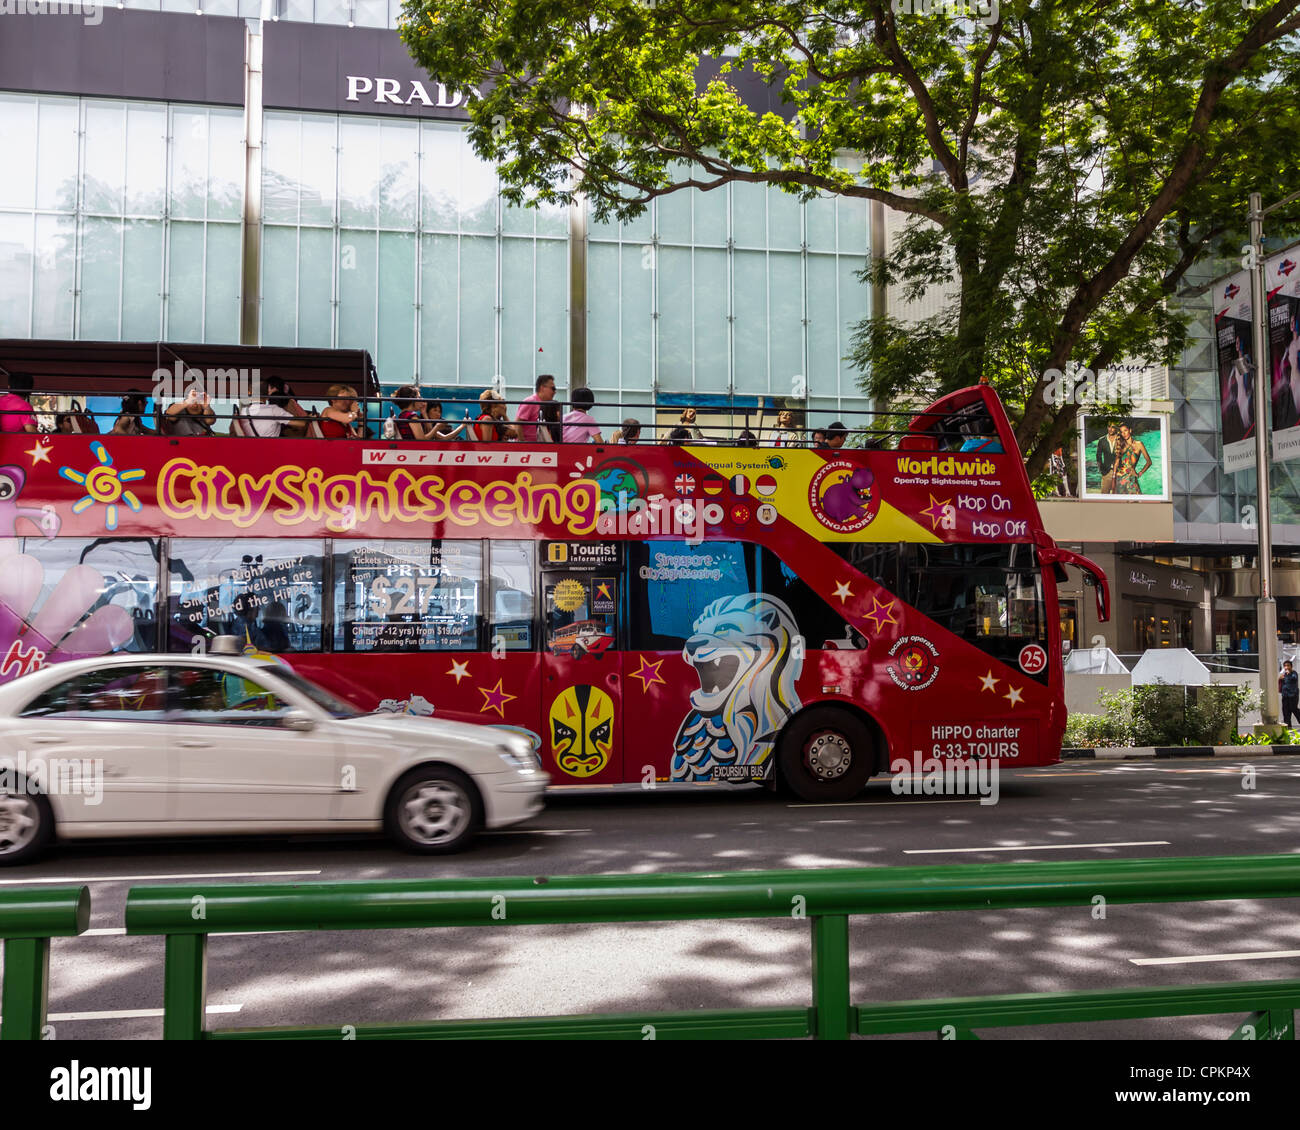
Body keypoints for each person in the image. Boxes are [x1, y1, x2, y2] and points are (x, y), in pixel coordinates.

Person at [1113, 420, 1152, 495]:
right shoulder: (1120, 445)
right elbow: (1116, 464)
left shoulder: (1139, 444)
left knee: (1136, 501)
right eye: (1121, 432)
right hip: (1120, 479)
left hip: (1132, 479)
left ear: (1130, 430)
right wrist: (1113, 480)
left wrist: (1139, 474)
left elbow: (1149, 462)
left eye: (1125, 431)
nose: (1123, 434)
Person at [516, 374, 557, 441]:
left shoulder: (547, 405)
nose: (555, 392)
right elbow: (518, 423)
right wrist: (523, 444)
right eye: (553, 388)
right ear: (542, 388)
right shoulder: (530, 402)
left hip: (539, 446)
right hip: (530, 447)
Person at [1097, 423, 1120, 492]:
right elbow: (1098, 456)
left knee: (1118, 495)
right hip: (1106, 471)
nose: (1110, 429)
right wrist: (1101, 469)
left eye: (1113, 427)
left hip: (1119, 472)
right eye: (1109, 426)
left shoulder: (1120, 439)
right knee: (1104, 494)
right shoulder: (1101, 440)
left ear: (1116, 428)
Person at [1280, 661, 1299, 728]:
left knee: (1294, 709)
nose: (1286, 667)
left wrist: (1288, 674)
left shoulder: (1294, 673)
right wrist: (1281, 678)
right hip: (1285, 695)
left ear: (1291, 666)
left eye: (1288, 665)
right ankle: (1288, 726)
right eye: (1285, 666)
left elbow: (1294, 678)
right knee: (1285, 711)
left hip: (1293, 695)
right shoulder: (1284, 675)